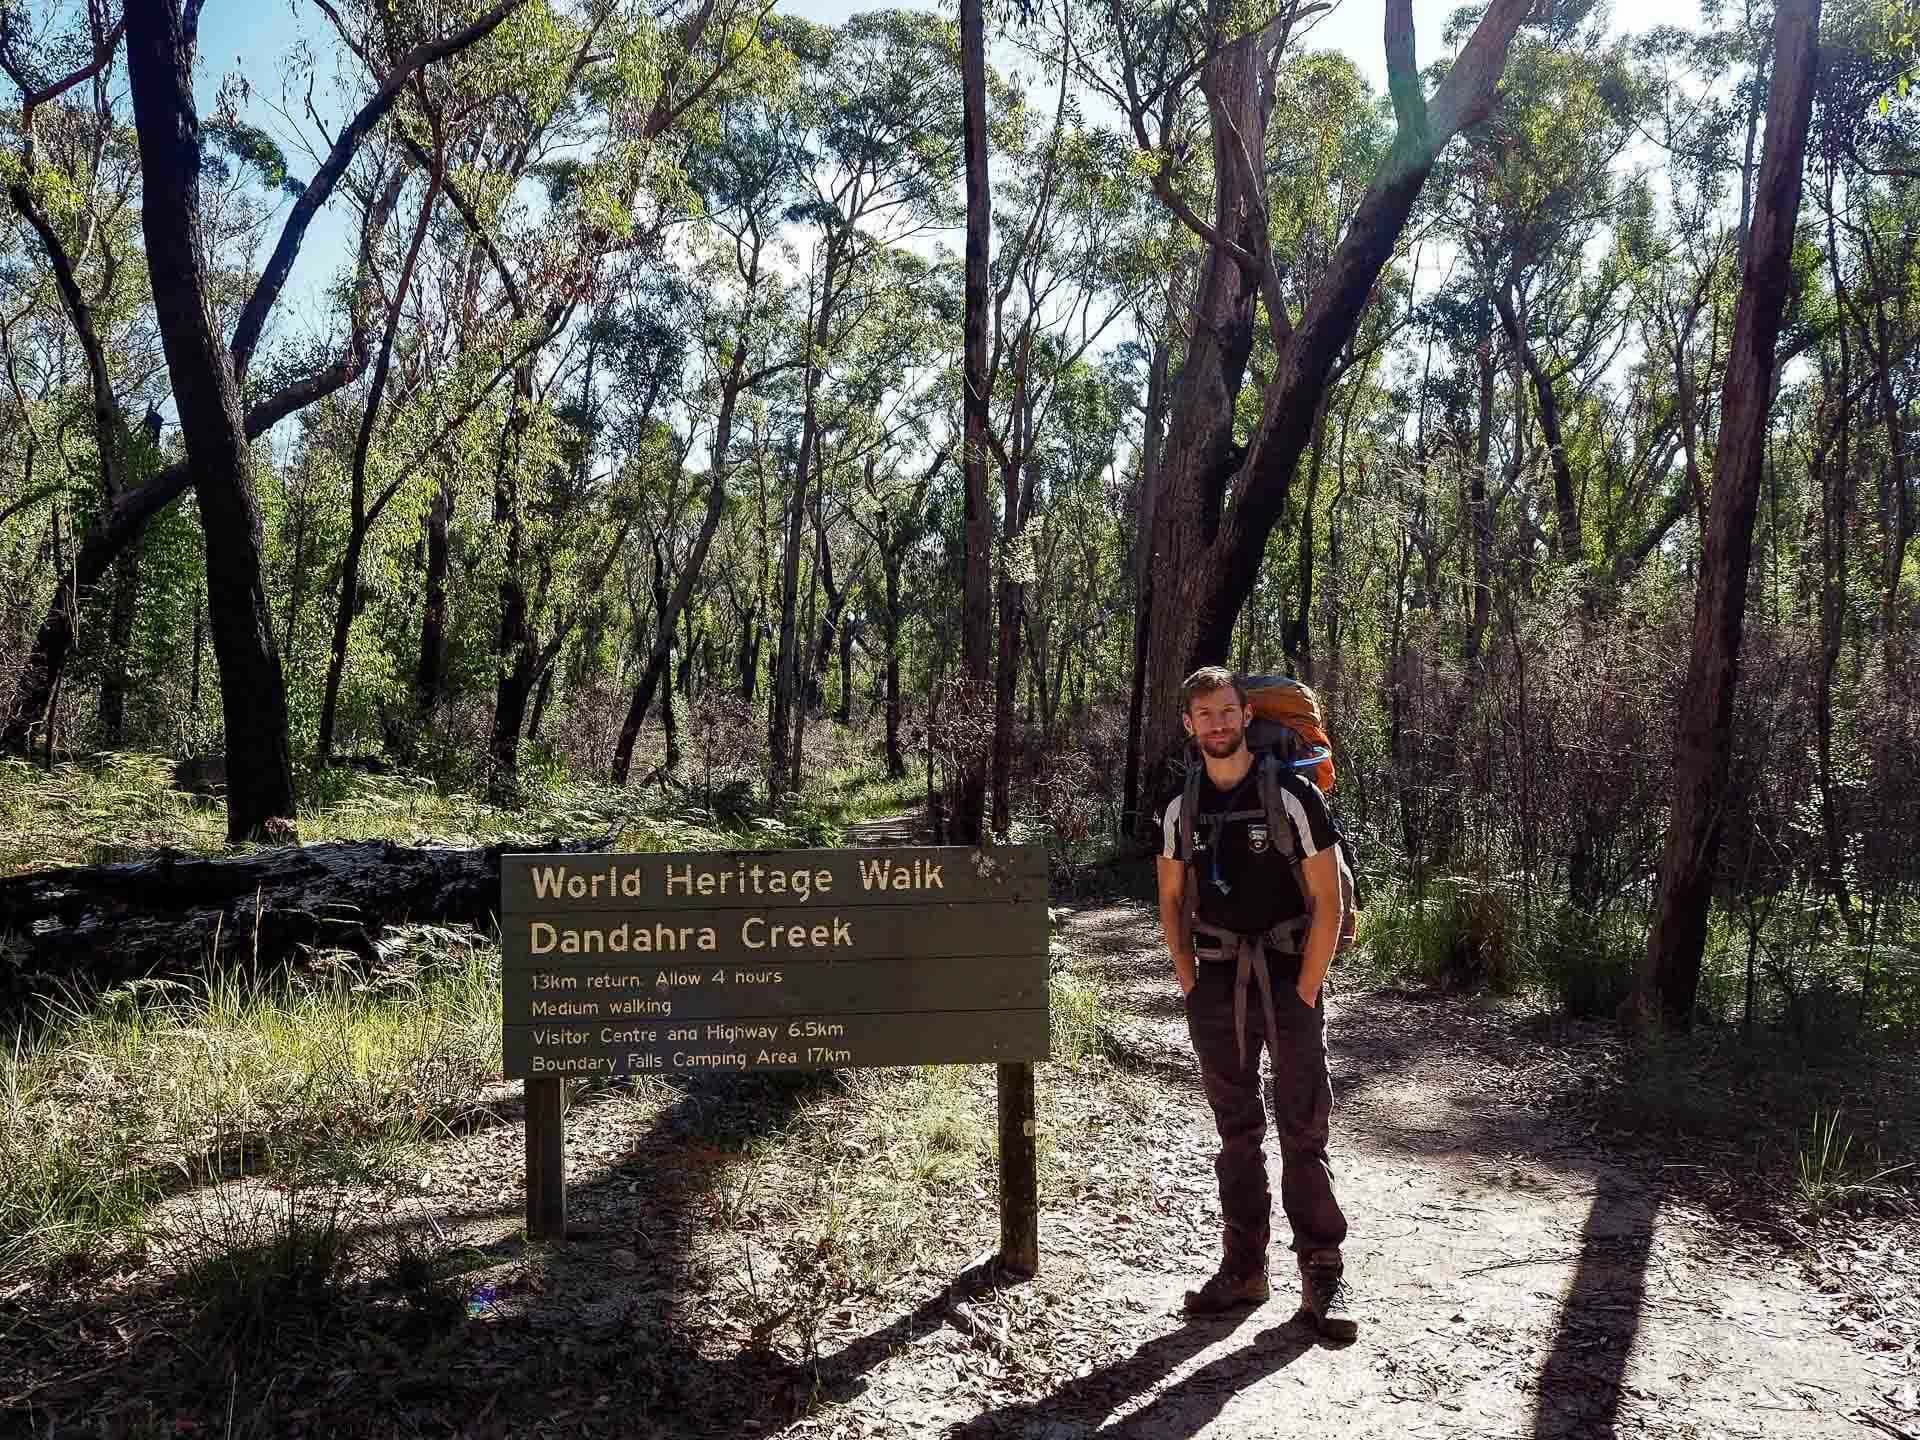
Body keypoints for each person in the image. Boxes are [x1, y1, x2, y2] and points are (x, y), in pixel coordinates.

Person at [1156, 665, 1355, 1339]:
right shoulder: (1181, 805)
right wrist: (1187, 977)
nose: (1217, 724)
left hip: (1289, 974)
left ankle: (1321, 1273)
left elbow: (1329, 899)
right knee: (1236, 1132)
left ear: (1246, 716)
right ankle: (1244, 1269)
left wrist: (1306, 987)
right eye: (1204, 715)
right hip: (1215, 982)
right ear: (1190, 725)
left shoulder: (1293, 793)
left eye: (1227, 712)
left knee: (1304, 1126)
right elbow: (1173, 899)